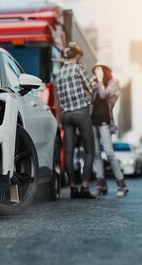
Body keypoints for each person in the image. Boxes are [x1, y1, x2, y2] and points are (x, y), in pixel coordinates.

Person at [56, 42, 96, 199]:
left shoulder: (59, 73)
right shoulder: (79, 69)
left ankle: (72, 186)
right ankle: (85, 187)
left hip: (66, 115)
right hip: (81, 112)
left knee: (69, 152)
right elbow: (90, 89)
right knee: (89, 150)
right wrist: (85, 93)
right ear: (77, 56)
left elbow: (59, 97)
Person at [91, 63, 129, 197]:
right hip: (92, 121)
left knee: (109, 152)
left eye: (99, 71)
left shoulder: (114, 83)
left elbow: (104, 95)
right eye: (95, 72)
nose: (97, 74)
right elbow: (89, 100)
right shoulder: (94, 83)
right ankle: (100, 184)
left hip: (105, 122)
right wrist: (92, 86)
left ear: (106, 71)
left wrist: (100, 82)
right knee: (96, 153)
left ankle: (121, 184)